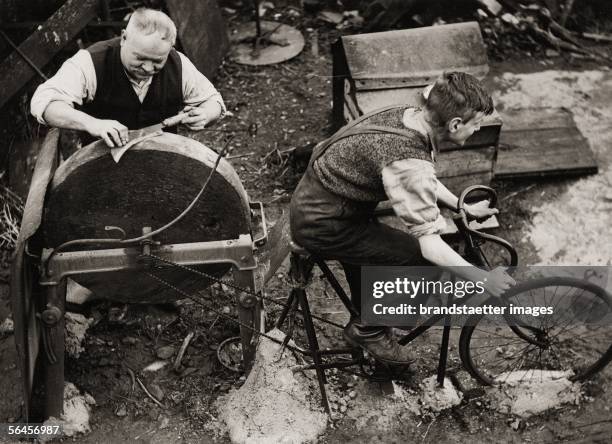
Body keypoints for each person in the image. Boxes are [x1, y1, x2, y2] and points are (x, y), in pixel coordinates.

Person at [290, 71, 515, 365]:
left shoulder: (407, 116)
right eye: (476, 125)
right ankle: (368, 331)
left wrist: (461, 205)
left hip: (327, 202)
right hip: (325, 222)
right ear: (455, 124)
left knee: (384, 253)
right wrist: (483, 279)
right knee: (416, 260)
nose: (477, 131)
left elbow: (422, 180)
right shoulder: (409, 161)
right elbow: (429, 240)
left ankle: (372, 312)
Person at [31, 8, 225, 148]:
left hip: (163, 161)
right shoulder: (91, 62)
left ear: (170, 48)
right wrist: (92, 123)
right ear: (124, 38)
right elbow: (45, 103)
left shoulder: (178, 64)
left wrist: (206, 114)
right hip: (100, 165)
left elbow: (213, 101)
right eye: (140, 58)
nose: (148, 68)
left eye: (157, 60)